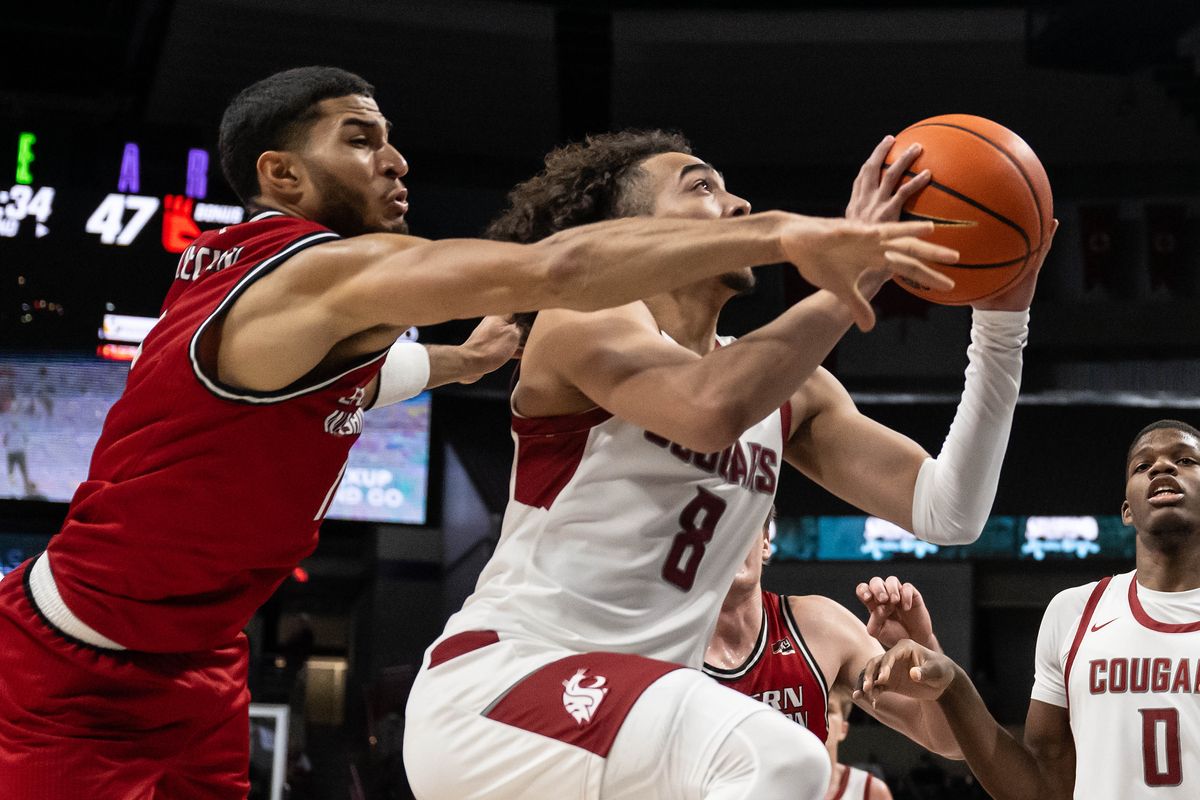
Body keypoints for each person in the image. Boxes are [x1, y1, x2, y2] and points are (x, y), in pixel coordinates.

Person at [0, 67, 948, 800]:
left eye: (392, 140)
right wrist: (787, 235)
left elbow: (371, 379)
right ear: (281, 175)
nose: (396, 160)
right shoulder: (304, 272)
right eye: (360, 139)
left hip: (201, 666)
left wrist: (458, 363)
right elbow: (562, 266)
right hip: (65, 665)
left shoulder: (303, 317)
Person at [403, 129, 1053, 799]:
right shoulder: (583, 320)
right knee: (783, 760)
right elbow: (709, 408)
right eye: (702, 187)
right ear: (632, 232)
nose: (739, 205)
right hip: (505, 688)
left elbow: (951, 510)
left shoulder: (791, 392)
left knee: (776, 764)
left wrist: (1003, 324)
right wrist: (857, 275)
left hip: (628, 732)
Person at [856, 418, 1200, 799]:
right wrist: (953, 686)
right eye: (1142, 465)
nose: (1162, 467)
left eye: (1186, 460)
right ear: (1127, 510)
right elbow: (1038, 788)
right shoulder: (1073, 612)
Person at [703, 508, 958, 765]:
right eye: (710, 526)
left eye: (740, 520)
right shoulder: (665, 645)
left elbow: (949, 742)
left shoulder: (821, 626)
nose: (729, 537)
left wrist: (923, 646)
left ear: (766, 541)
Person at [825, 687, 894, 800]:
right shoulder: (786, 783)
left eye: (828, 710)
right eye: (813, 710)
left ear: (843, 729)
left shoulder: (871, 790)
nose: (820, 718)